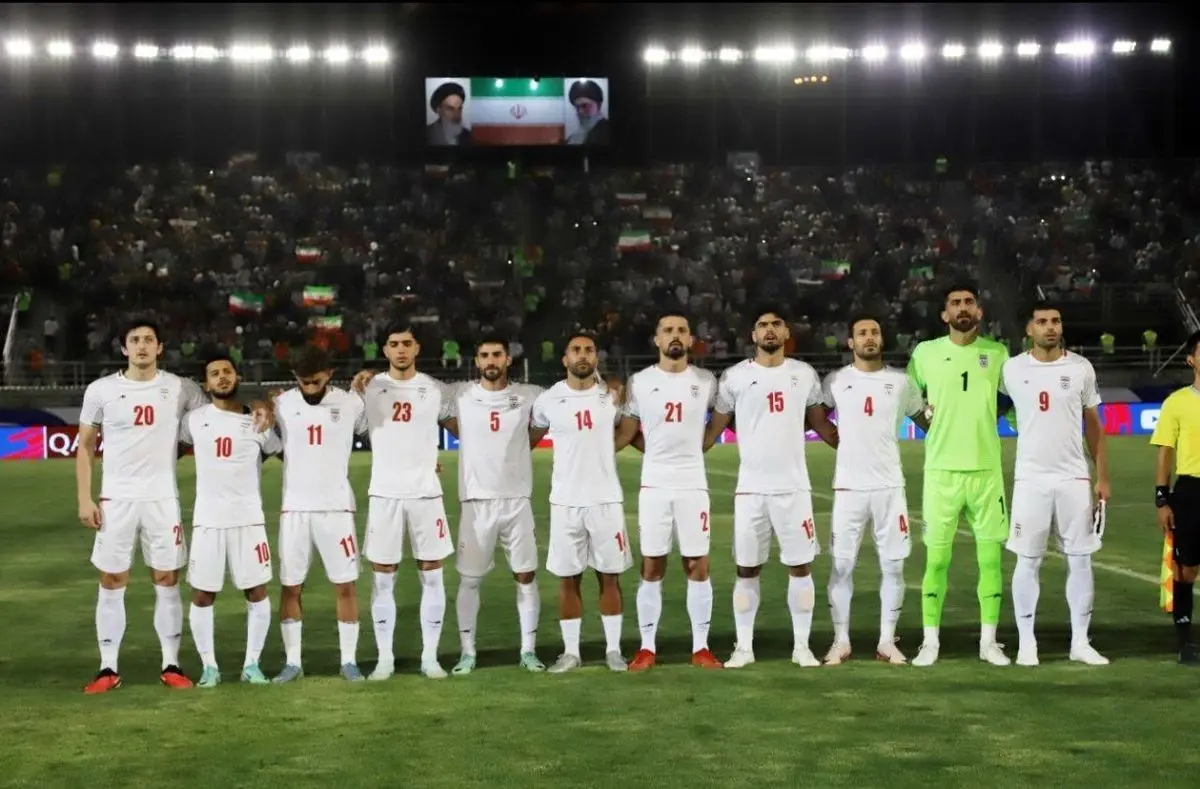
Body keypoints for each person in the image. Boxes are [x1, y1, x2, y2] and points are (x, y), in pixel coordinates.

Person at [703, 306, 839, 669]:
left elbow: (821, 425)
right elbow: (712, 431)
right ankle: (744, 648)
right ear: (753, 335)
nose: (769, 330)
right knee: (746, 569)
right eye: (762, 325)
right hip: (751, 491)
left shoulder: (804, 374)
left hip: (794, 489)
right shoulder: (734, 377)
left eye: (776, 324)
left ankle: (802, 647)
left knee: (801, 568)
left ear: (786, 332)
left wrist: (856, 445)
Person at [77, 318, 208, 693]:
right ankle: (107, 668)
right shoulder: (101, 390)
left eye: (149, 339)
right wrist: (84, 498)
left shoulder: (180, 388)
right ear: (124, 348)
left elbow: (213, 415)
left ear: (160, 347)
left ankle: (171, 664)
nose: (142, 345)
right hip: (116, 500)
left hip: (162, 499)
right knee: (112, 580)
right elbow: (85, 446)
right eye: (134, 340)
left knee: (167, 580)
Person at [905, 283, 1011, 667]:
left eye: (968, 302)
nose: (962, 308)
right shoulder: (925, 353)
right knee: (936, 562)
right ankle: (930, 642)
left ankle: (989, 642)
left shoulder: (998, 354)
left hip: (986, 471)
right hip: (941, 473)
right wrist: (928, 423)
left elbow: (1008, 399)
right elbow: (908, 396)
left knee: (991, 562)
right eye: (955, 303)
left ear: (978, 311)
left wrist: (986, 418)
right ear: (944, 314)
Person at [1002, 305, 1110, 667]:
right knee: (1027, 560)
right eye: (1042, 322)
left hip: (1073, 478)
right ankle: (1026, 643)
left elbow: (1093, 425)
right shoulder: (1011, 369)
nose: (1050, 327)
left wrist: (1103, 477)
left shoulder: (1081, 368)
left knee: (1080, 559)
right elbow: (990, 407)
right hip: (1030, 479)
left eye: (1056, 321)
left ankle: (1080, 642)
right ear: (1029, 329)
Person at [615, 312, 723, 671]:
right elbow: (628, 431)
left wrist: (697, 448)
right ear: (657, 340)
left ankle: (701, 647)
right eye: (668, 331)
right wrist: (655, 453)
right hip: (655, 485)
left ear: (691, 340)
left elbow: (719, 422)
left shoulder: (706, 381)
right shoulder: (640, 382)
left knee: (697, 563)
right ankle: (647, 648)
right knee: (652, 563)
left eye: (681, 330)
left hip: (693, 484)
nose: (675, 336)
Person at [822, 315, 925, 666]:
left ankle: (886, 642)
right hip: (848, 487)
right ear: (851, 342)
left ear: (882, 339)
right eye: (862, 333)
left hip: (889, 487)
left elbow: (927, 420)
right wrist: (836, 440)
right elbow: (816, 416)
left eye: (875, 332)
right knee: (841, 565)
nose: (869, 337)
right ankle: (841, 641)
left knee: (893, 567)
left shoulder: (901, 382)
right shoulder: (836, 381)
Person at [357, 321, 455, 680]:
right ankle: (385, 659)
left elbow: (464, 426)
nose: (401, 349)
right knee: (383, 577)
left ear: (417, 348)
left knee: (433, 573)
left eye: (407, 343)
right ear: (385, 350)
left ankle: (430, 657)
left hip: (426, 493)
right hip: (385, 494)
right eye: (394, 343)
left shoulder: (434, 389)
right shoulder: (369, 388)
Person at [530, 332, 631, 673]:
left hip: (606, 500)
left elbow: (628, 429)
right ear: (565, 359)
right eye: (576, 350)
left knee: (610, 577)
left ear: (596, 358)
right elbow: (527, 439)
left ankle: (614, 650)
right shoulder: (548, 400)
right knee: (568, 579)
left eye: (589, 350)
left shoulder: (611, 396)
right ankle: (571, 652)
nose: (583, 355)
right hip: (565, 502)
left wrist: (603, 452)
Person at [180, 355, 282, 687]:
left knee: (257, 591)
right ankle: (209, 667)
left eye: (227, 371)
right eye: (214, 373)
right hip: (208, 522)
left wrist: (264, 403)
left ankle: (252, 665)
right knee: (202, 595)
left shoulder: (257, 422)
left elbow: (286, 455)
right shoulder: (194, 421)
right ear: (206, 383)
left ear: (237, 377)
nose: (222, 377)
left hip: (248, 521)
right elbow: (167, 454)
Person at [446, 336, 545, 675]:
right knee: (470, 580)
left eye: (497, 355)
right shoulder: (459, 394)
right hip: (476, 502)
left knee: (526, 576)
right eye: (485, 355)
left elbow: (568, 397)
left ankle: (528, 651)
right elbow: (416, 390)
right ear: (476, 361)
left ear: (508, 359)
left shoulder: (530, 395)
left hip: (517, 500)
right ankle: (467, 653)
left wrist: (613, 386)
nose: (491, 360)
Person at [272, 345, 368, 682]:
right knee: (290, 586)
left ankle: (349, 661)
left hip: (337, 509)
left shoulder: (350, 402)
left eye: (315, 381)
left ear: (329, 374)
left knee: (345, 585)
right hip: (295, 509)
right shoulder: (282, 404)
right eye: (303, 381)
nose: (309, 387)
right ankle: (293, 663)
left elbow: (387, 427)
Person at [1151, 329, 1200, 664]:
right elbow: (1165, 453)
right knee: (1186, 569)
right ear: (1191, 360)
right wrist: (1162, 499)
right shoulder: (1177, 402)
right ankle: (1185, 642)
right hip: (1191, 491)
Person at [564, 79, 611, 146]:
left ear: (598, 104)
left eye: (585, 106)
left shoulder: (609, 131)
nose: (580, 111)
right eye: (577, 107)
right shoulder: (572, 138)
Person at [426, 81, 472, 146]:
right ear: (439, 110)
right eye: (450, 109)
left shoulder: (468, 135)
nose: (456, 115)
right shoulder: (427, 134)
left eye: (459, 109)